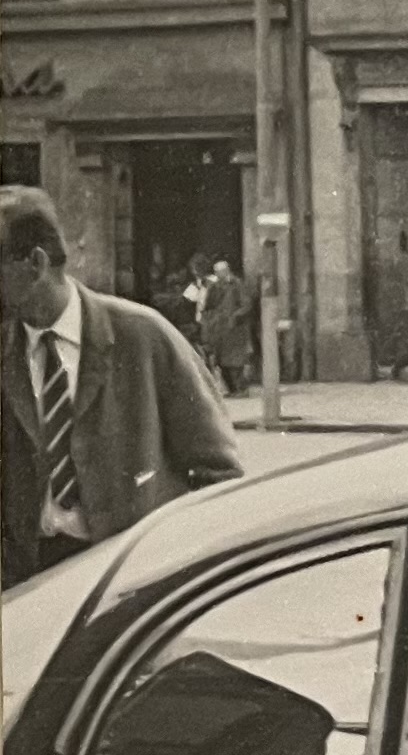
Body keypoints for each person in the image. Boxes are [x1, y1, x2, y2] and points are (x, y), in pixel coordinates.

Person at [1, 185, 243, 581]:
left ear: (36, 263)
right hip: (27, 581)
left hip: (128, 577)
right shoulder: (6, 348)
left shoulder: (143, 336)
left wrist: (170, 569)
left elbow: (219, 475)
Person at [198, 257, 252, 396]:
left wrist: (235, 316)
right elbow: (208, 306)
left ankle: (240, 389)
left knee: (235, 362)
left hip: (234, 329)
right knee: (221, 361)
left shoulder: (237, 284)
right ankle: (231, 389)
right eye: (216, 272)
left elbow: (246, 305)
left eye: (220, 272)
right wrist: (209, 320)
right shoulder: (214, 286)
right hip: (219, 329)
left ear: (227, 271)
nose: (218, 275)